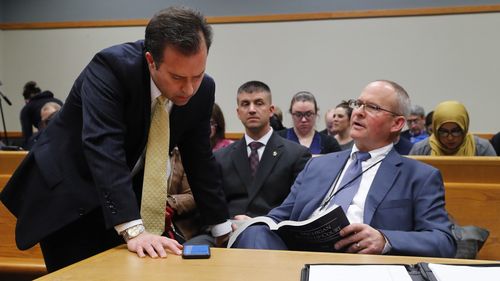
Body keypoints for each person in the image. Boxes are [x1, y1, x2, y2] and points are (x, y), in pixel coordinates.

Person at [1, 7, 230, 272]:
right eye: (177, 77)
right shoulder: (111, 67)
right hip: (70, 192)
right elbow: (102, 146)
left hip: (120, 198)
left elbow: (200, 158)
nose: (189, 89)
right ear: (150, 60)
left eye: (198, 75)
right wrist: (134, 230)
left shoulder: (204, 90)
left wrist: (222, 228)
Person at [233, 80, 456, 258]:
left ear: (397, 124)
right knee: (254, 233)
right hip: (300, 257)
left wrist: (384, 239)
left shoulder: (419, 176)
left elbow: (443, 241)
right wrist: (253, 222)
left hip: (362, 264)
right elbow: (282, 215)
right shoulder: (318, 165)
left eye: (373, 108)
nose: (358, 112)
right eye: (358, 104)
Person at [187, 81, 311, 245]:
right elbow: (208, 205)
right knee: (190, 250)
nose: (252, 109)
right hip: (224, 234)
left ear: (271, 110)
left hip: (271, 233)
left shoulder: (296, 155)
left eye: (259, 103)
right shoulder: (220, 157)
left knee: (254, 239)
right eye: (245, 104)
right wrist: (221, 227)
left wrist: (258, 222)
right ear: (238, 112)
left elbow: (299, 208)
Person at [409, 101, 496, 156]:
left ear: (464, 129)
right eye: (443, 132)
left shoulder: (481, 148)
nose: (450, 138)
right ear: (436, 130)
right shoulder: (420, 150)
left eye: (456, 131)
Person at [19, 81, 63, 147]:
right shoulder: (58, 101)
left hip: (45, 142)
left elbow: (27, 136)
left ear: (26, 100)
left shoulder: (27, 108)